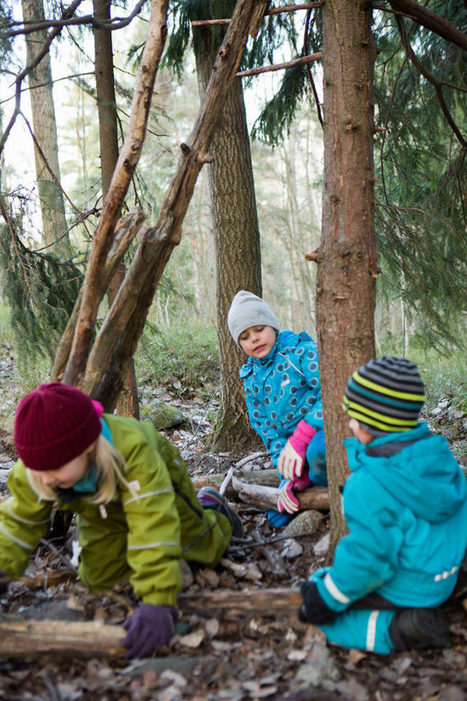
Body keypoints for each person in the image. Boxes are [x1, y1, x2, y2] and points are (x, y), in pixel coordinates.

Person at [0, 382, 242, 659]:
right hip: (101, 507)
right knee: (98, 578)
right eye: (36, 470)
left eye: (54, 469)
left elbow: (153, 521)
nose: (44, 478)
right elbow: (16, 523)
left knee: (201, 551)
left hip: (160, 490)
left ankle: (216, 511)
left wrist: (157, 601)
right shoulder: (41, 467)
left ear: (88, 448)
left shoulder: (134, 450)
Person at [299, 356, 467, 654]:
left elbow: (369, 560)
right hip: (447, 571)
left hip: (412, 586)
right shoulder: (438, 454)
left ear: (371, 425)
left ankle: (398, 629)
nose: (349, 423)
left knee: (323, 608)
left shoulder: (369, 484)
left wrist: (325, 599)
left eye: (354, 417)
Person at [228, 290, 327, 527]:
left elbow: (332, 392)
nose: (254, 339)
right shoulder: (251, 379)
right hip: (294, 451)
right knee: (278, 515)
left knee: (318, 453)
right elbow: (269, 432)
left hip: (322, 433)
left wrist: (301, 439)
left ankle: (337, 495)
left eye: (259, 329)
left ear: (273, 326)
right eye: (244, 336)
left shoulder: (300, 351)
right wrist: (287, 475)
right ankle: (310, 492)